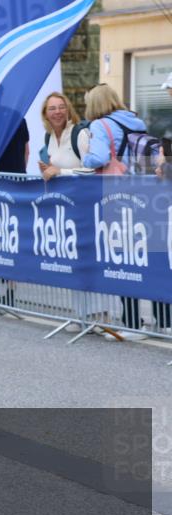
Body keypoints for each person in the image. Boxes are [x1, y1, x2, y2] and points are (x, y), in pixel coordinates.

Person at [81, 84, 165, 339]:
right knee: (150, 257)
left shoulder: (99, 125)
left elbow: (97, 158)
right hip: (146, 192)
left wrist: (85, 160)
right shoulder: (135, 121)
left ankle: (132, 323)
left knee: (123, 260)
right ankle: (164, 321)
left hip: (116, 195)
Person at [81, 83, 151, 171]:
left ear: (93, 105)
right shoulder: (137, 121)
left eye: (87, 104)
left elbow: (100, 158)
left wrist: (85, 160)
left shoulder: (99, 125)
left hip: (117, 180)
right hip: (140, 177)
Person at [38, 92, 91, 180]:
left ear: (68, 111)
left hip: (80, 192)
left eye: (62, 107)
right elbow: (57, 168)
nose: (57, 112)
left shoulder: (79, 134)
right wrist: (48, 170)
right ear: (45, 115)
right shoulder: (48, 136)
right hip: (60, 192)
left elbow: (90, 170)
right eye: (52, 108)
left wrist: (60, 171)